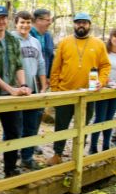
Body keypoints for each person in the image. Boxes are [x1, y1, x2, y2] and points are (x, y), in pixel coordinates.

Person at [47, 12, 111, 165]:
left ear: (89, 25)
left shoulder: (98, 43)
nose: (81, 25)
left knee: (83, 125)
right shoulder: (64, 42)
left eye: (84, 22)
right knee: (61, 125)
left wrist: (101, 82)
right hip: (65, 92)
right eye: (78, 22)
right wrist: (55, 91)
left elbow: (105, 65)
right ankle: (57, 154)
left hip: (88, 94)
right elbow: (55, 68)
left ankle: (78, 153)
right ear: (74, 24)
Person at [0, 5, 31, 179]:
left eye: (3, 18)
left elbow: (18, 65)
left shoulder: (13, 39)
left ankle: (10, 167)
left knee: (13, 132)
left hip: (11, 95)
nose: (0, 22)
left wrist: (23, 85)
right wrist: (12, 90)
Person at [12, 11, 47, 170]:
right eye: (21, 23)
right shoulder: (11, 40)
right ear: (16, 23)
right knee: (14, 127)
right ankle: (11, 161)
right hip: (15, 91)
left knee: (31, 126)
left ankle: (27, 157)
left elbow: (41, 64)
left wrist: (43, 86)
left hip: (33, 90)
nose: (25, 26)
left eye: (27, 22)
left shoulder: (35, 42)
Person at [89, 28, 116, 154]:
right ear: (111, 37)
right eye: (115, 36)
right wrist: (106, 81)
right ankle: (93, 146)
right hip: (102, 89)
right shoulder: (104, 51)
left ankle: (106, 146)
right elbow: (96, 68)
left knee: (109, 118)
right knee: (100, 118)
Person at [30, 8, 55, 80]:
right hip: (30, 81)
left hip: (44, 80)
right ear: (38, 20)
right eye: (47, 20)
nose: (50, 23)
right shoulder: (27, 35)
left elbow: (51, 57)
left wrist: (48, 77)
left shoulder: (48, 36)